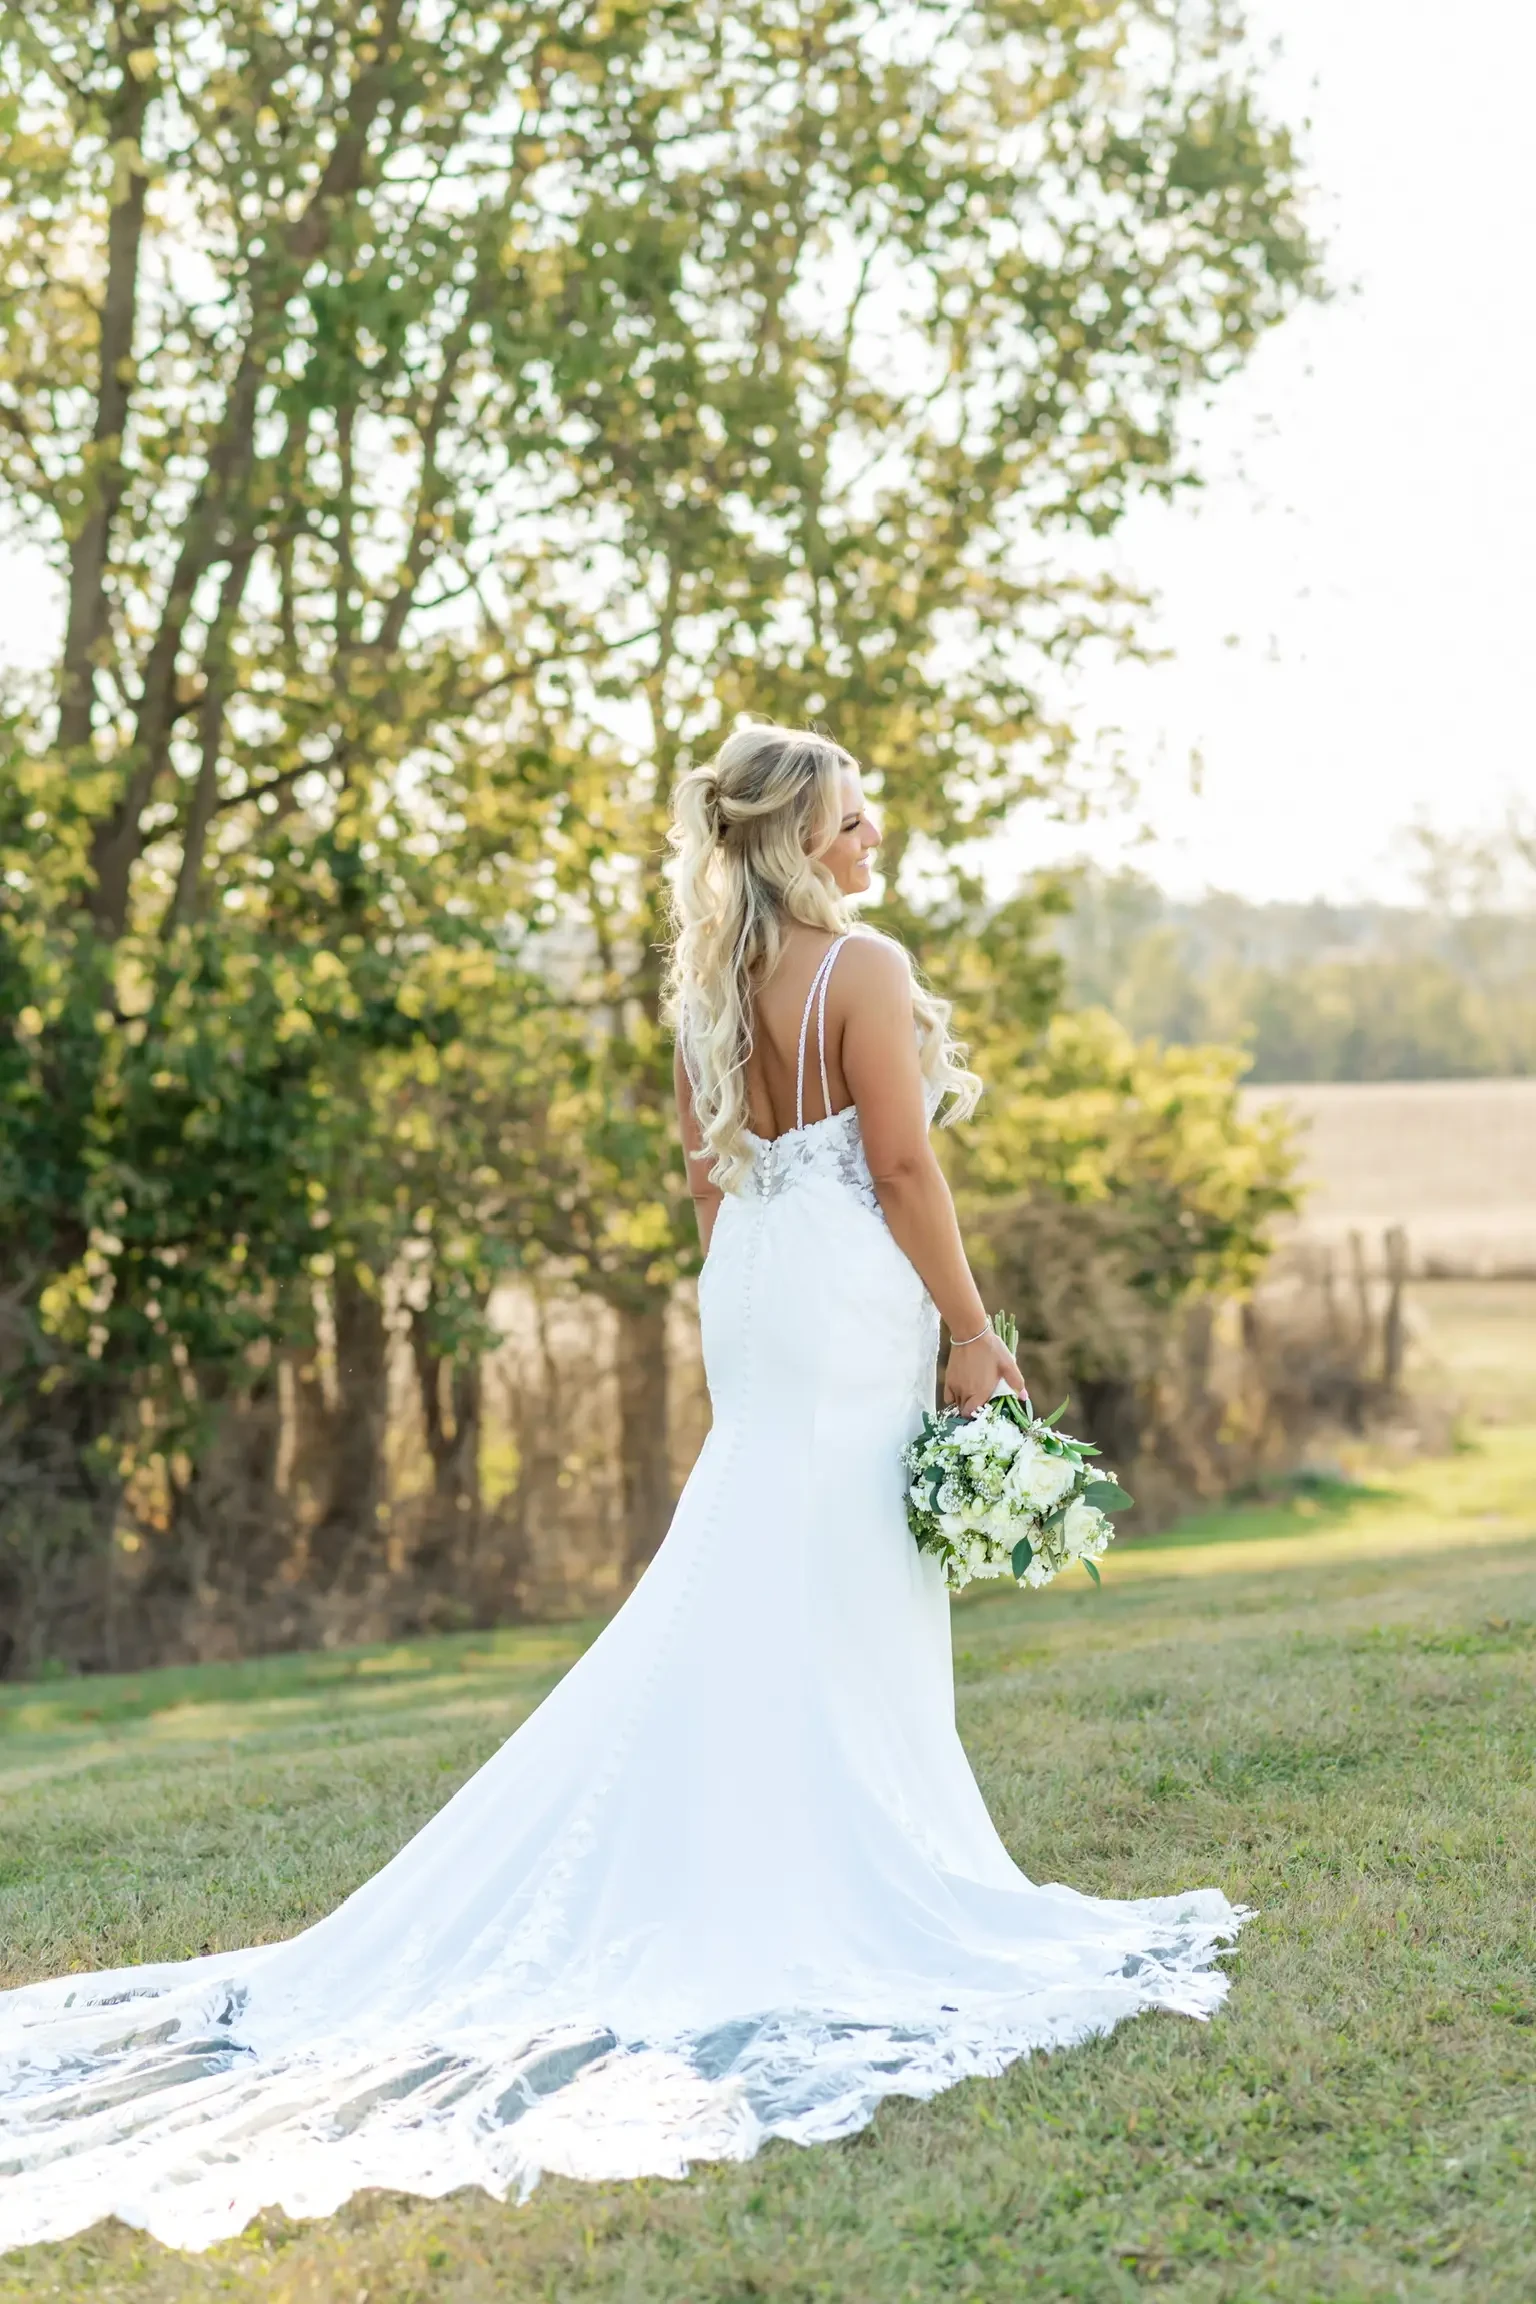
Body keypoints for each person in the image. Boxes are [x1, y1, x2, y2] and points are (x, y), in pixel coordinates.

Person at [0, 724, 1244, 2258]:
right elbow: (910, 1172)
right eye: (857, 816)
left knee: (762, 1551)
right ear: (804, 836)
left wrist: (762, 1283)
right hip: (852, 1285)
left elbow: (707, 1177)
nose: (873, 835)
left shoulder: (712, 987)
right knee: (841, 1567)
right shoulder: (858, 969)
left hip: (755, 1284)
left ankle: (788, 1822)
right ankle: (848, 1856)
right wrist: (975, 1334)